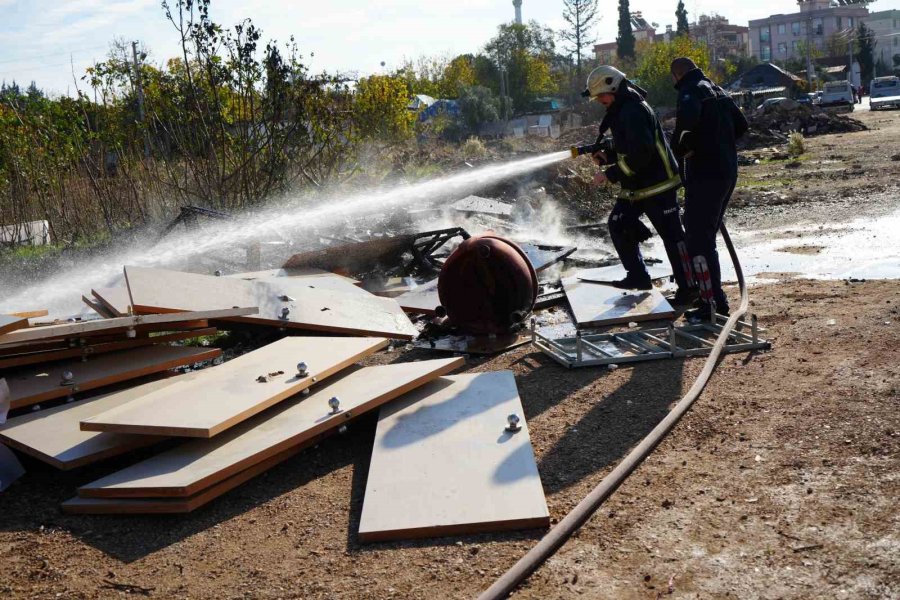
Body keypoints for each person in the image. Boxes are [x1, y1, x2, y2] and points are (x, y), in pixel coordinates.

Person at [580, 65, 696, 304]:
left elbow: (642, 153)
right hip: (638, 185)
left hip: (658, 185)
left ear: (612, 87)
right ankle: (638, 276)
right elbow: (628, 145)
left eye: (601, 95)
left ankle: (689, 289)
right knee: (618, 223)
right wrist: (608, 156)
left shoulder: (633, 109)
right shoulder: (622, 108)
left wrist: (610, 174)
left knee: (673, 238)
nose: (599, 100)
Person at [670, 57, 749, 321]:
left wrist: (690, 150)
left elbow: (682, 136)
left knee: (698, 241)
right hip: (727, 171)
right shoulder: (718, 89)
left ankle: (712, 306)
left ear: (676, 76)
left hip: (705, 175)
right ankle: (713, 300)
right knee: (705, 236)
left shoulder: (689, 92)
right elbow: (742, 126)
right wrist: (719, 142)